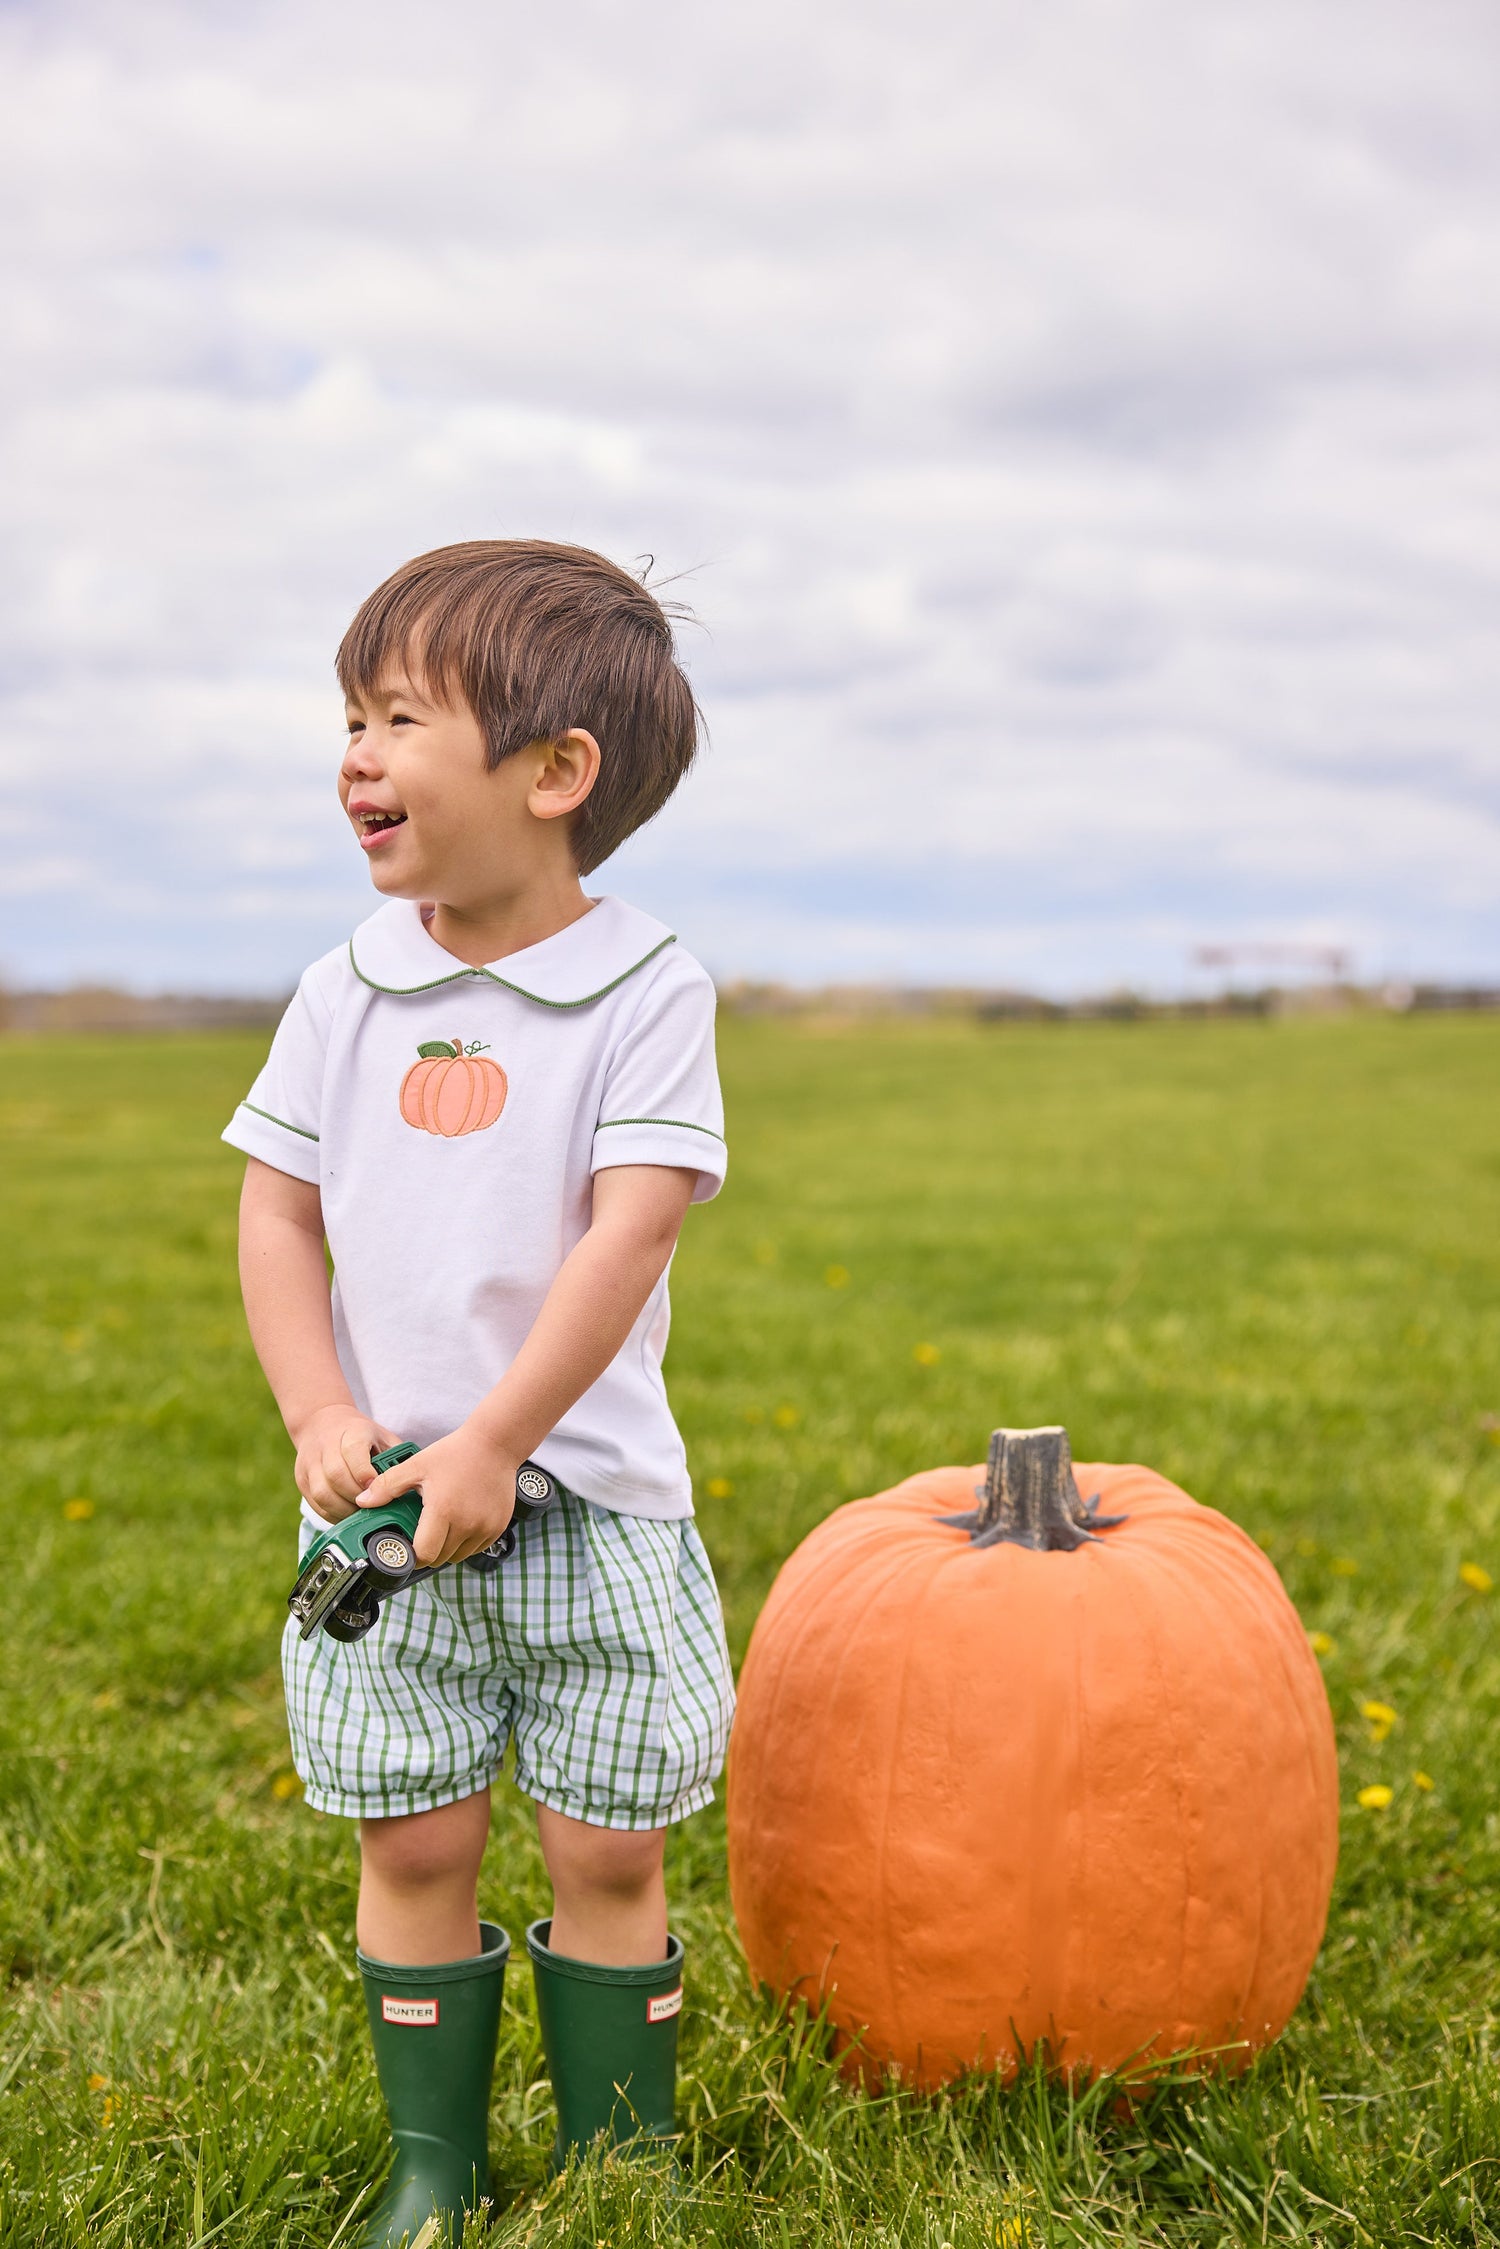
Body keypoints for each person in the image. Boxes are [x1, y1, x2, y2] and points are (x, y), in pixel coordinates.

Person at [223, 540, 734, 2246]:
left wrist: (503, 1439)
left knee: (605, 1852)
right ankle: (431, 2164)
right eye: (347, 718)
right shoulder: (340, 993)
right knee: (419, 1842)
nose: (354, 754)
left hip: (587, 1512)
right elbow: (278, 1209)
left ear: (553, 772)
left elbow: (630, 1229)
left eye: (397, 716)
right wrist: (318, 1410)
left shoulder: (645, 991)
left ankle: (619, 2159)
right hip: (385, 1516)